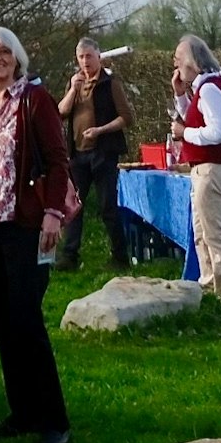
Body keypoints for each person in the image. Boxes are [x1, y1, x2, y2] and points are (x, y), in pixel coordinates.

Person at [0, 26, 72, 443]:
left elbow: (57, 160)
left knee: (27, 318)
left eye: (5, 52)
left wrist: (52, 213)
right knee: (1, 321)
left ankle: (54, 418)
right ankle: (22, 411)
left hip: (25, 223)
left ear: (17, 58)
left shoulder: (34, 100)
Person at [170, 34, 221, 307]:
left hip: (212, 169)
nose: (175, 63)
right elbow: (195, 117)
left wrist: (183, 133)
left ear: (192, 61)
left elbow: (218, 132)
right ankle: (209, 289)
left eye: (178, 57)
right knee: (202, 234)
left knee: (216, 236)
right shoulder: (205, 87)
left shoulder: (210, 88)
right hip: (203, 170)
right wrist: (179, 95)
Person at [57, 37, 135, 270]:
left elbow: (126, 117)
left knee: (107, 206)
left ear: (98, 57)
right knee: (74, 206)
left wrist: (101, 130)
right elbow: (60, 112)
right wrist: (73, 89)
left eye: (89, 56)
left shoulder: (110, 83)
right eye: (81, 57)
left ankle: (120, 256)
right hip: (77, 154)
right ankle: (70, 256)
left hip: (103, 152)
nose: (85, 61)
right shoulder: (76, 84)